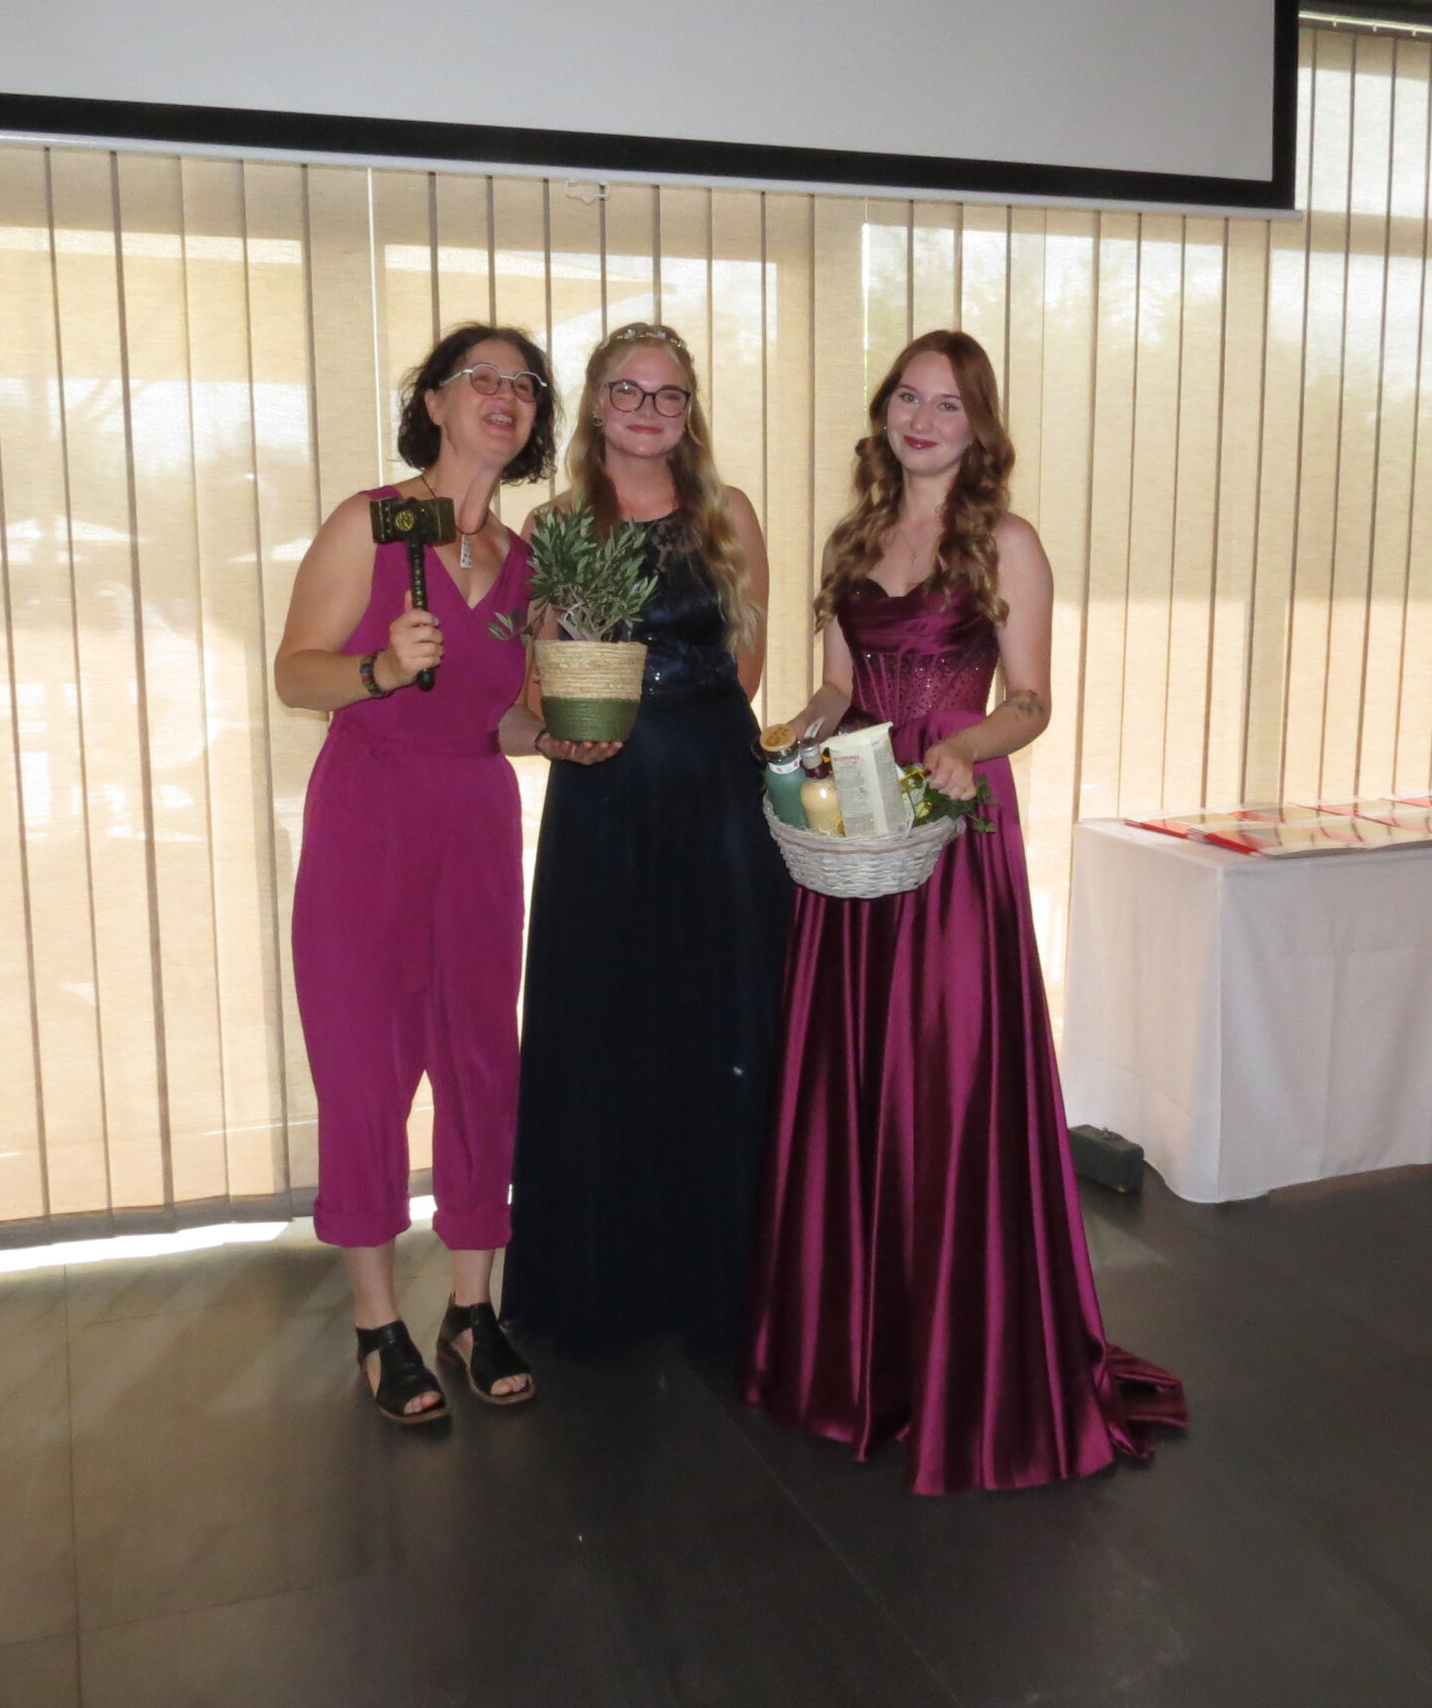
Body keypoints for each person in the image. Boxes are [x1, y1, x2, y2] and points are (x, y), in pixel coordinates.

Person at [738, 329, 1186, 1493]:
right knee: (849, 1075)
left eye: (946, 404)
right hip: (856, 828)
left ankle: (964, 1356)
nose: (922, 420)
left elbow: (1031, 700)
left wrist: (967, 746)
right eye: (906, 397)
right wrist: (793, 731)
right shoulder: (849, 540)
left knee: (946, 1077)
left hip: (950, 826)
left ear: (978, 427)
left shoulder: (1006, 543)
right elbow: (838, 687)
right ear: (883, 412)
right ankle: (854, 1354)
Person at [273, 322, 605, 1426]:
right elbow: (296, 674)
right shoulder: (372, 521)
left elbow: (492, 719)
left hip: (474, 825)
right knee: (364, 1072)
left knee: (478, 1065)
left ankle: (471, 1308)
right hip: (367, 819)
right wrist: (375, 667)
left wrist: (551, 737)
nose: (504, 396)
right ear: (433, 402)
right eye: (481, 378)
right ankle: (378, 1322)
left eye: (525, 385)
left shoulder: (525, 561)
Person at [502, 322, 793, 1360]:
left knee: (721, 1021)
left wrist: (680, 733)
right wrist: (589, 725)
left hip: (717, 795)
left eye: (668, 395)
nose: (646, 410)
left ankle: (725, 1275)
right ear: (595, 402)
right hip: (604, 795)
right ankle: (606, 1280)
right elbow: (537, 681)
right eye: (627, 390)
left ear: (689, 412)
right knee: (607, 1022)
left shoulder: (728, 514)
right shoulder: (552, 525)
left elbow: (747, 667)